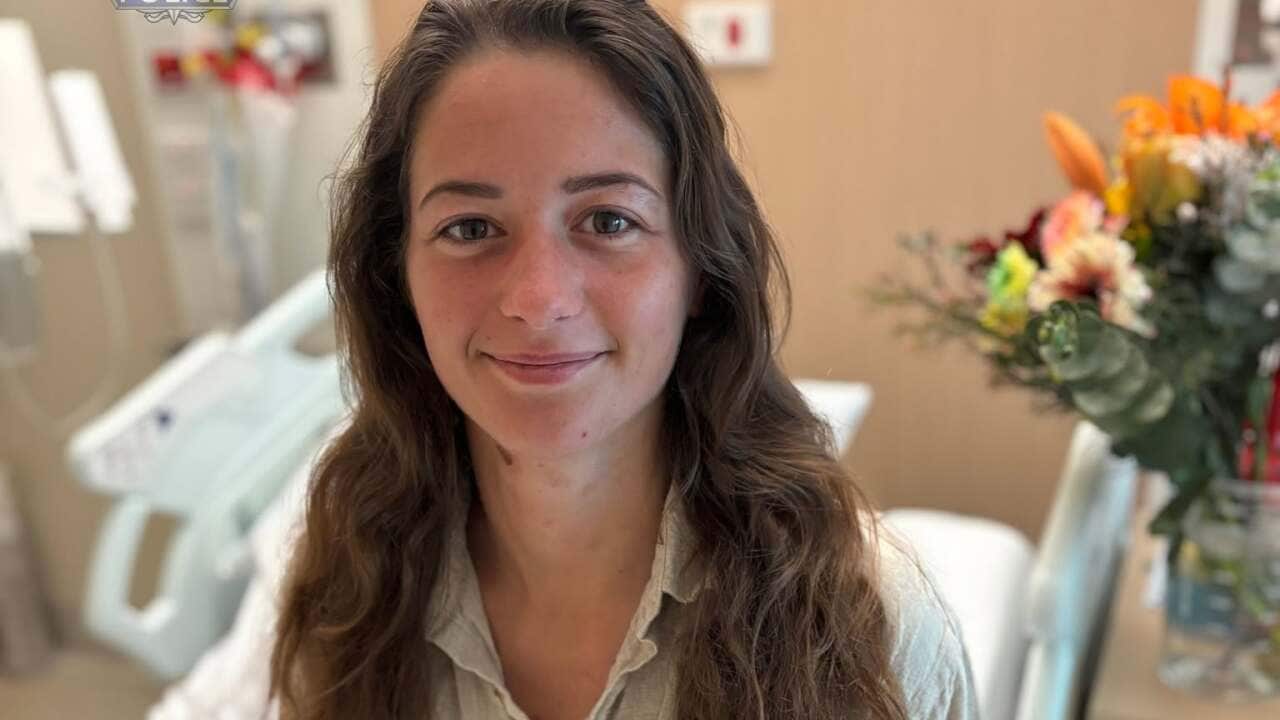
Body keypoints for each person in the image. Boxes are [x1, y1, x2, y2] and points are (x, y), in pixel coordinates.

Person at [268, 1, 979, 718]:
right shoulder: (348, 591)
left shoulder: (871, 631)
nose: (539, 300)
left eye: (610, 221)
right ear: (397, 278)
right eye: (471, 228)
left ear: (700, 266)